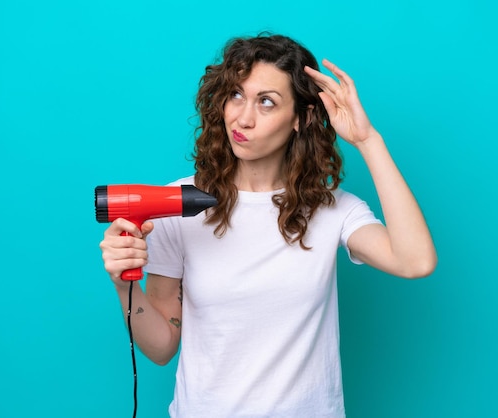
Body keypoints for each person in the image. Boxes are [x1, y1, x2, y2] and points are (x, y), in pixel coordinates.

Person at [99, 33, 437, 418]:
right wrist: (123, 284)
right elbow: (161, 348)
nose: (243, 117)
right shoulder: (178, 204)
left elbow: (415, 261)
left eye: (267, 102)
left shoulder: (333, 210)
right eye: (237, 95)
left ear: (301, 118)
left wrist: (367, 140)